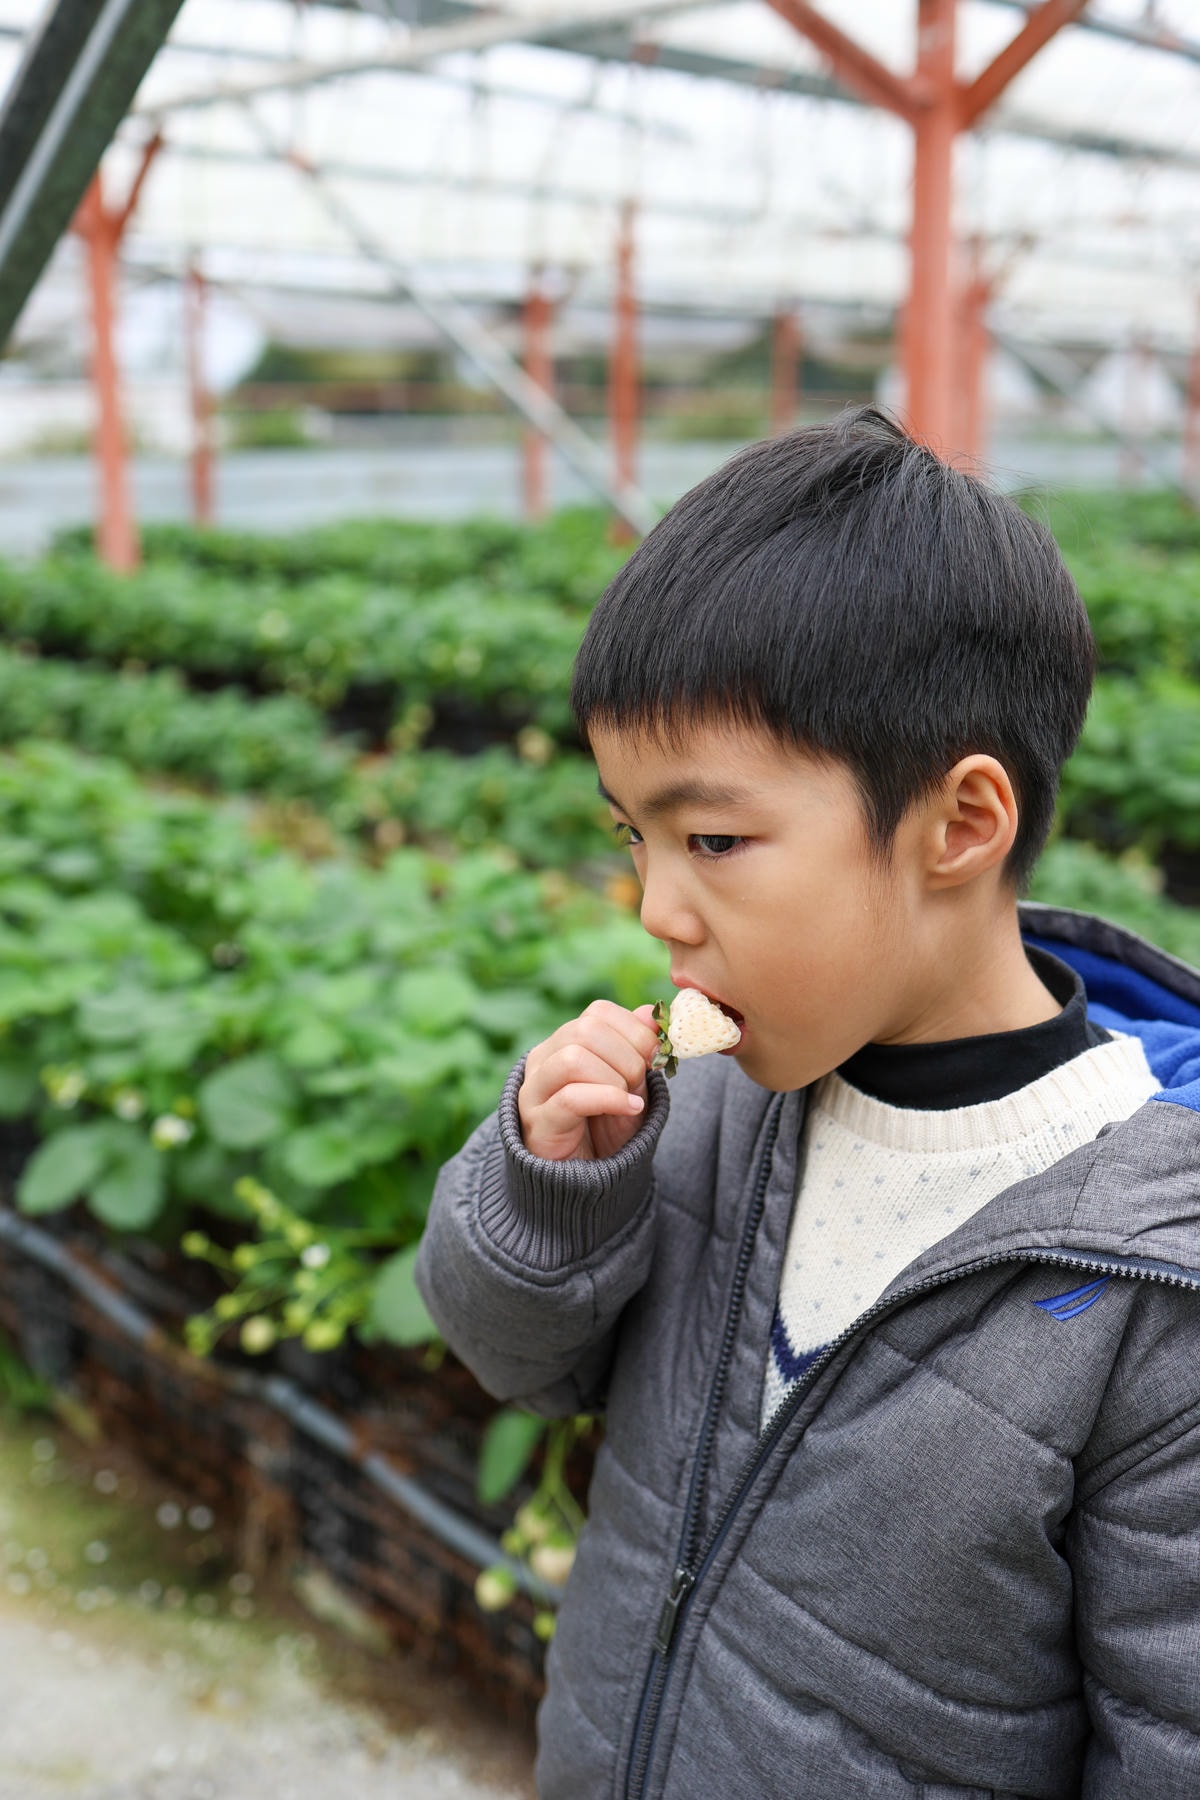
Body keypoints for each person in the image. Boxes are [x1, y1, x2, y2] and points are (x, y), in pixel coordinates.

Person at [415, 407, 1200, 1799]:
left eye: (715, 839)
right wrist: (550, 1188)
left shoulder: (1151, 1290)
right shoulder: (715, 1107)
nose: (659, 905)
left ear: (962, 823)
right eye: (635, 835)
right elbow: (521, 1366)